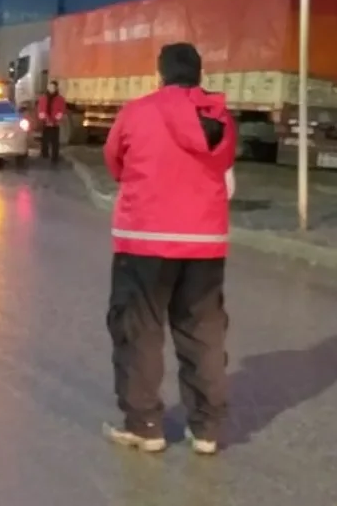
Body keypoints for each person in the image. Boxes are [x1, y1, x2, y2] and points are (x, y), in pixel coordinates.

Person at [101, 42, 236, 456]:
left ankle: (146, 426)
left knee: (138, 331)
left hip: (145, 239)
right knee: (203, 333)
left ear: (160, 73)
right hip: (206, 243)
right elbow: (225, 161)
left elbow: (114, 160)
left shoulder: (138, 111)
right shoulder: (220, 117)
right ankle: (207, 430)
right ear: (199, 74)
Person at [36, 81, 66, 165]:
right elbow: (40, 110)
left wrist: (54, 121)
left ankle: (54, 157)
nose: (51, 89)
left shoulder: (60, 99)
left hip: (55, 124)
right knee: (45, 140)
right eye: (49, 87)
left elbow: (61, 111)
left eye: (53, 87)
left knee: (55, 141)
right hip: (45, 123)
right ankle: (44, 154)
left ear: (56, 88)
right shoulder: (43, 98)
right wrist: (46, 119)